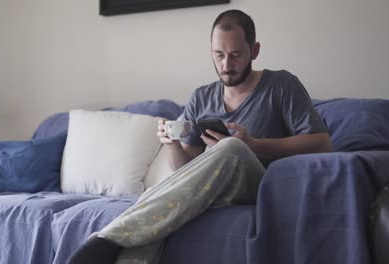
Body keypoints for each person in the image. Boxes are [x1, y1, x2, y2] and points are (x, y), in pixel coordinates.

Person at [69, 9, 333, 264]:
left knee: (231, 147)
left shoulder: (281, 85)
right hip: (207, 189)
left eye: (236, 55)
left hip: (258, 186)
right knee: (162, 202)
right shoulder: (201, 97)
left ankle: (108, 236)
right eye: (218, 55)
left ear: (255, 50)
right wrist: (170, 143)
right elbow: (185, 170)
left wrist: (253, 145)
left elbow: (323, 144)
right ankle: (111, 250)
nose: (226, 65)